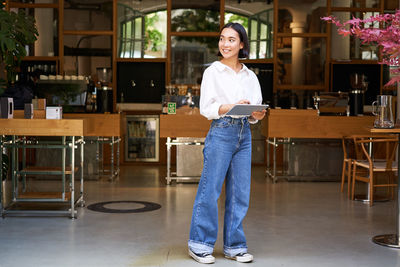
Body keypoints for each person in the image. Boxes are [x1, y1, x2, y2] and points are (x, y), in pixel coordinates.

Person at [188, 22, 266, 264]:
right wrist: (232, 106)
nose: (225, 44)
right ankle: (199, 244)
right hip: (221, 131)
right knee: (210, 189)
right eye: (222, 39)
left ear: (241, 44)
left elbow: (255, 108)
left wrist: (256, 114)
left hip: (244, 133)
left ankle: (234, 246)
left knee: (240, 192)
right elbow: (207, 109)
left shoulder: (250, 75)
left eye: (231, 40)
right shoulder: (213, 71)